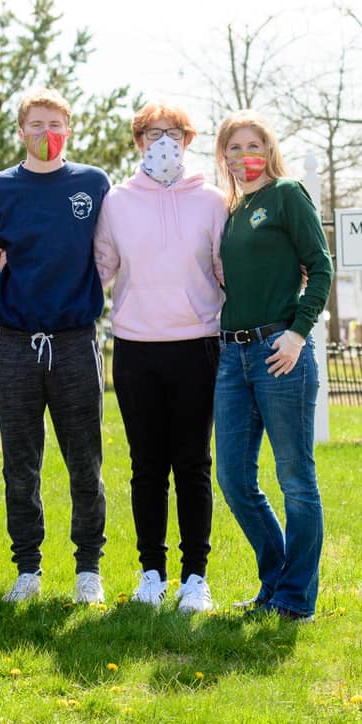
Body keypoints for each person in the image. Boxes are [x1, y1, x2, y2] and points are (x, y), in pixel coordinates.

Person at [94, 102, 226, 612]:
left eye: (173, 132)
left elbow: (224, 269)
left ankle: (196, 576)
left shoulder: (212, 201)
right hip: (135, 348)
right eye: (152, 133)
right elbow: (100, 268)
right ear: (138, 141)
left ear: (189, 140)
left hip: (197, 345)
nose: (163, 141)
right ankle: (152, 572)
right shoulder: (117, 202)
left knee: (193, 465)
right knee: (146, 466)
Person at [0, 88, 109, 604]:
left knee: (85, 461)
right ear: (21, 131)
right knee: (20, 464)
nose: (45, 132)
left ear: (69, 129)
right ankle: (27, 569)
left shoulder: (93, 184)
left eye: (55, 123)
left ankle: (88, 570)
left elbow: (109, 248)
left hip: (75, 342)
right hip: (15, 346)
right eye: (36, 124)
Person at [213, 110, 332, 621]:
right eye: (233, 148)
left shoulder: (287, 194)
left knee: (295, 479)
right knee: (234, 478)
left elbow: (322, 266)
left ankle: (295, 598)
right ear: (224, 157)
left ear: (269, 148)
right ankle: (275, 581)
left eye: (252, 145)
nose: (244, 156)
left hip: (280, 354)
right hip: (231, 356)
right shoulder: (234, 210)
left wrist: (297, 332)